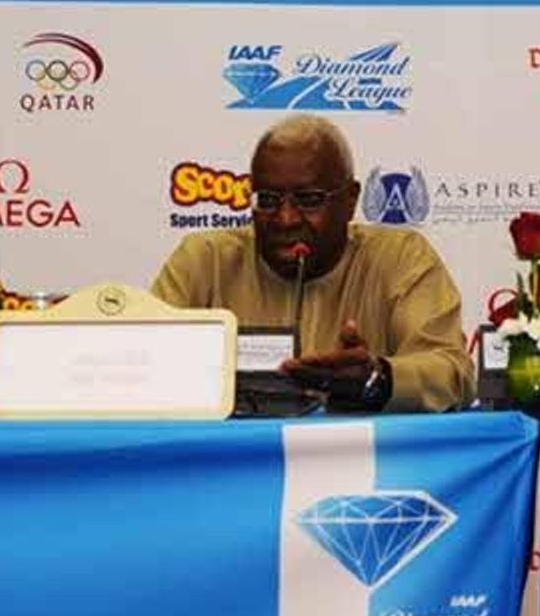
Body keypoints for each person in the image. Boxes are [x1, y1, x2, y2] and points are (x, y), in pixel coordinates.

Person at [151, 115, 473, 412]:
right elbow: (142, 361)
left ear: (350, 200)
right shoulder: (206, 259)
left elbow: (453, 372)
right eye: (268, 200)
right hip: (235, 452)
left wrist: (378, 379)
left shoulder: (400, 258)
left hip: (358, 452)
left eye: (309, 200)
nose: (286, 219)